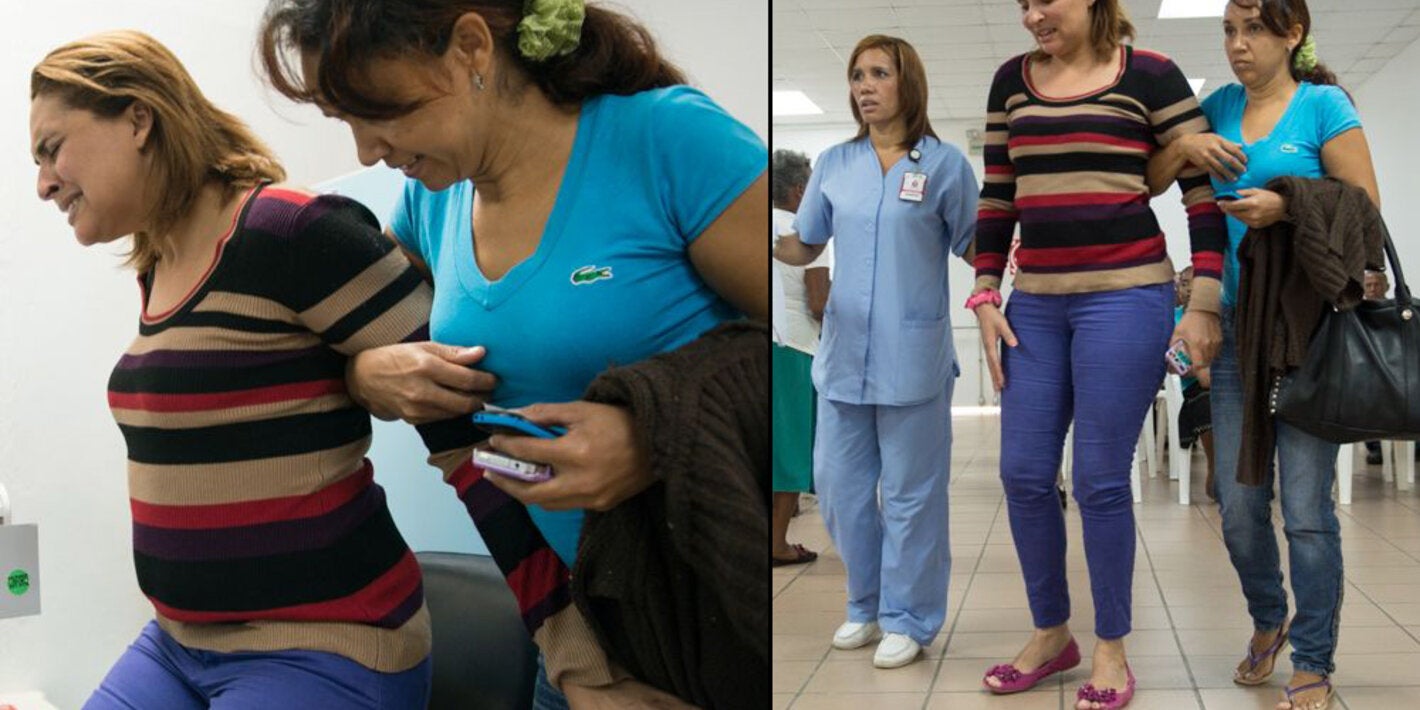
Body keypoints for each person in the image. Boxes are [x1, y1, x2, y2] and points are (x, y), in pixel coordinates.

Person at [257, 0, 768, 706]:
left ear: (471, 47)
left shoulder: (667, 138)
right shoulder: (430, 203)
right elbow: (366, 343)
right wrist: (366, 375)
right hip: (571, 643)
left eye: (383, 111)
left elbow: (812, 358)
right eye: (345, 121)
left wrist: (657, 435)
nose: (367, 152)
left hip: (708, 627)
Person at [30, 30, 437, 708]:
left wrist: (564, 636)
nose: (42, 184)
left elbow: (467, 418)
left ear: (137, 117)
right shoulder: (158, 266)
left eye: (51, 149)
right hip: (178, 643)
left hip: (326, 645)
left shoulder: (289, 231)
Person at [970, 0, 1228, 707]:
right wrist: (985, 290)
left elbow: (1201, 192)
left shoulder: (1150, 74)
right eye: (1020, 5)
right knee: (1023, 473)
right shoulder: (1010, 82)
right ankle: (1053, 634)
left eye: (1042, 1)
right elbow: (999, 195)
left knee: (1099, 480)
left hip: (1126, 295)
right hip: (1036, 304)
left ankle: (1112, 646)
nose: (1031, 17)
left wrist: (1203, 296)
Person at [1146, 1, 1380, 707]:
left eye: (1253, 30)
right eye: (1229, 30)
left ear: (1293, 34)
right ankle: (1268, 617)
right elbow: (1152, 180)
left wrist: (1288, 205)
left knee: (1306, 508)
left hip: (1309, 329)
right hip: (1237, 325)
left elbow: (1364, 207)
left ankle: (1313, 654)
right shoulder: (1213, 106)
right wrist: (1184, 148)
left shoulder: (1322, 106)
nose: (1238, 45)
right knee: (1238, 501)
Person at [775, 34, 978, 670]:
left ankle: (909, 617)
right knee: (838, 490)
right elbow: (805, 245)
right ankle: (865, 603)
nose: (864, 86)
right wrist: (753, 234)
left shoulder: (945, 167)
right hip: (843, 357)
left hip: (913, 356)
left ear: (906, 84)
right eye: (857, 75)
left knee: (914, 495)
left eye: (879, 74)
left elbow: (979, 247)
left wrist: (1019, 276)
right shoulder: (834, 163)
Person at [771, 148, 829, 567]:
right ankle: (776, 543)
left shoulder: (757, 224)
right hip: (794, 346)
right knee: (789, 448)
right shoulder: (805, 229)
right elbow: (818, 301)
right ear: (798, 189)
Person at [1173, 267, 1216, 500]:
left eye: (1193, 284)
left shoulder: (1220, 315)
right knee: (1206, 403)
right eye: (1184, 283)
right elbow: (1171, 363)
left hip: (1224, 380)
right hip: (1195, 386)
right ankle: (1216, 468)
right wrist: (1197, 369)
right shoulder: (1174, 319)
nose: (1188, 289)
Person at [1362, 269, 1389, 464]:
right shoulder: (1356, 313)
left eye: (1376, 284)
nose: (1372, 289)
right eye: (1368, 285)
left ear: (1386, 287)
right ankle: (1376, 447)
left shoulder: (1397, 311)